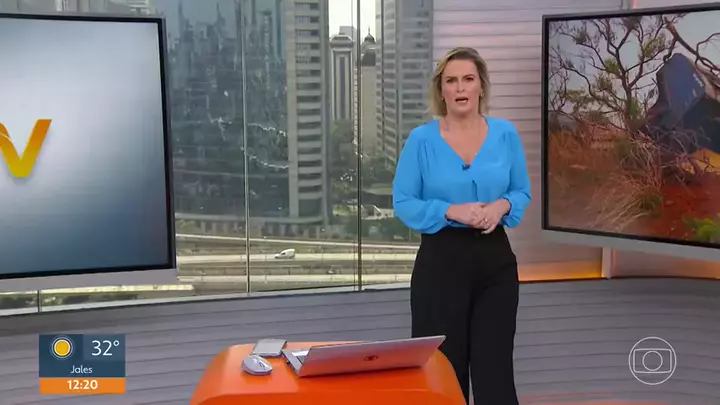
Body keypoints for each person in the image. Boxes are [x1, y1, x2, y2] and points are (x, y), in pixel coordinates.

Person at [392, 47, 531, 404]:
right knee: (442, 373)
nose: (460, 88)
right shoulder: (421, 140)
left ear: (481, 85)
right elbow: (403, 201)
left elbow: (521, 192)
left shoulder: (505, 135)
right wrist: (451, 211)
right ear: (441, 91)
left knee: (495, 372)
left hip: (495, 263)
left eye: (468, 79)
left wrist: (501, 206)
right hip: (441, 263)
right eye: (451, 81)